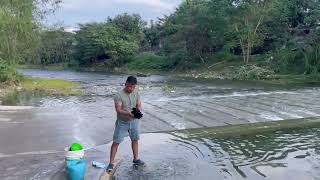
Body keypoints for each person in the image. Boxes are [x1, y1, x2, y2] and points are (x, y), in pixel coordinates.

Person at [107, 76, 145, 171]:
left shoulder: (136, 93)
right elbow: (118, 109)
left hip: (134, 121)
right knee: (116, 142)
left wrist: (138, 111)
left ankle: (136, 159)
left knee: (135, 139)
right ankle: (111, 163)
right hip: (122, 122)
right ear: (125, 84)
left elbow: (139, 104)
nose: (131, 89)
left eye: (133, 87)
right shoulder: (118, 95)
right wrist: (128, 113)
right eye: (129, 87)